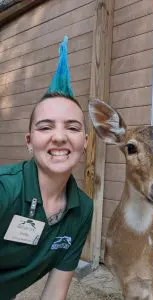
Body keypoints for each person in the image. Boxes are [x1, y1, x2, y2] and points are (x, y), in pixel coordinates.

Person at [0, 36, 93, 300]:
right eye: (45, 127)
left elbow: (55, 292)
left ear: (85, 142)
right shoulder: (5, 191)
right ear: (29, 141)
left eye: (73, 127)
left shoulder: (82, 210)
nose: (60, 137)